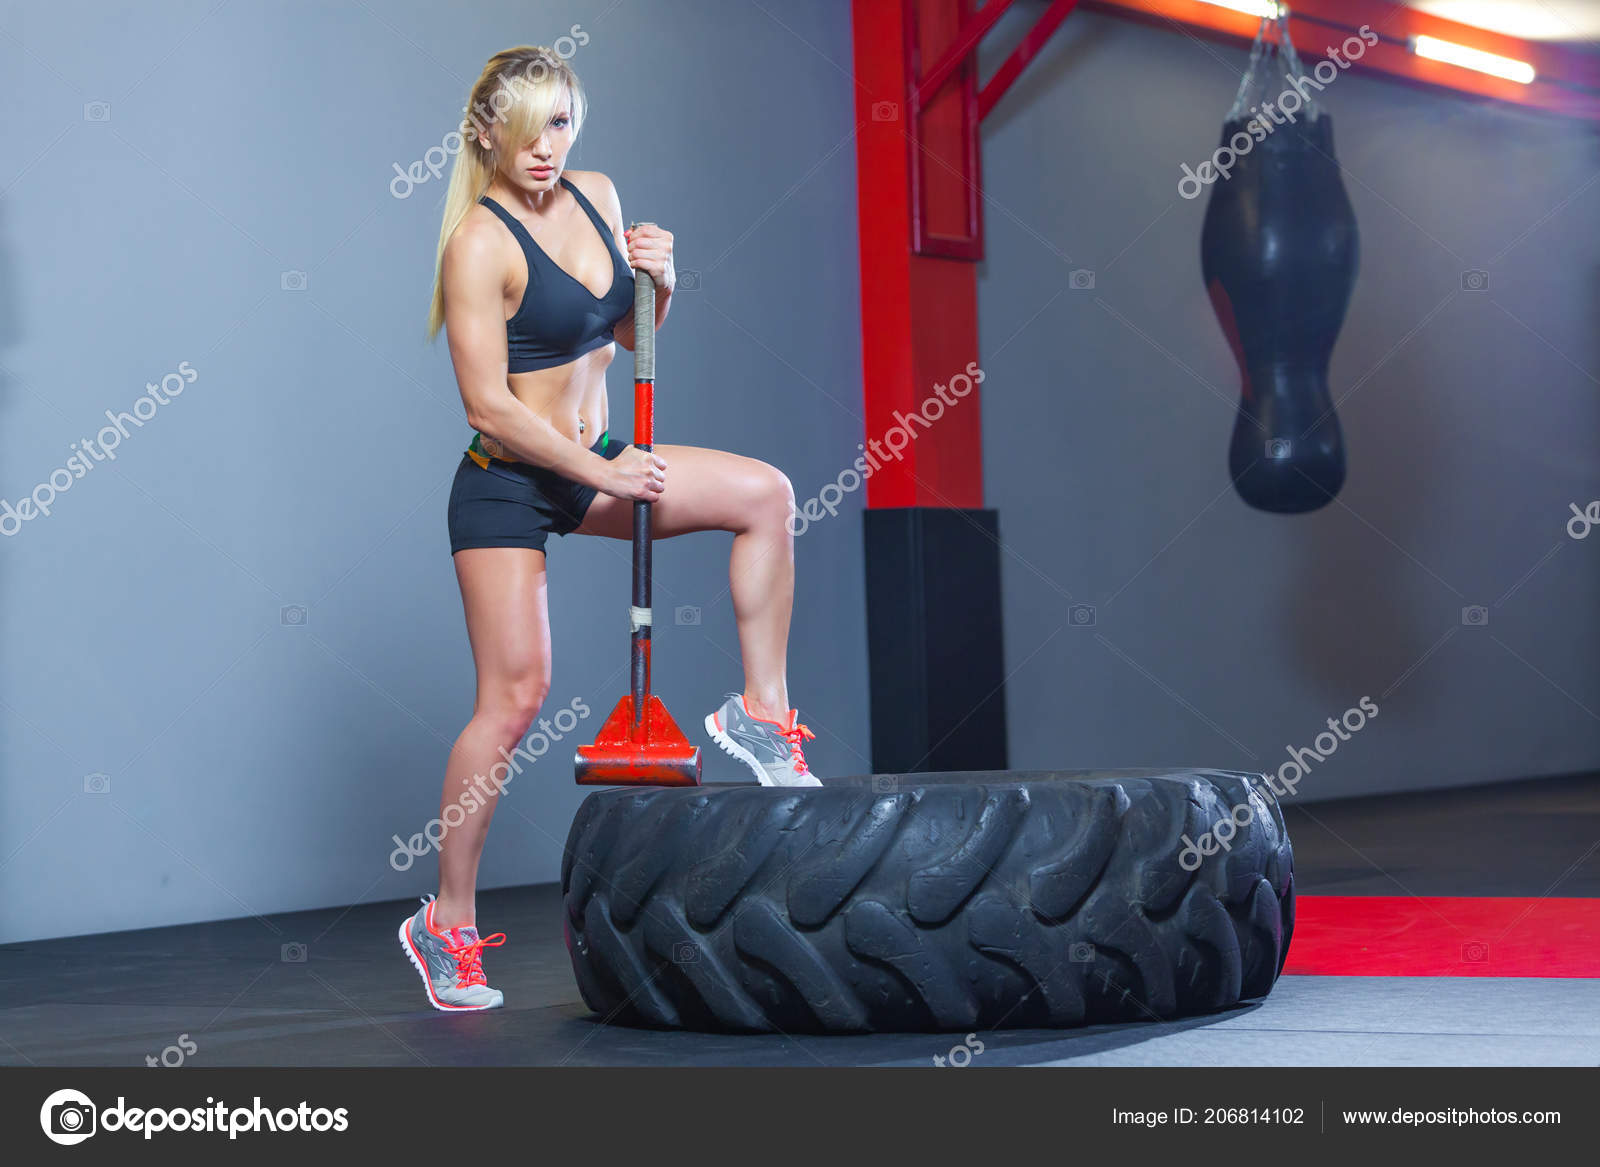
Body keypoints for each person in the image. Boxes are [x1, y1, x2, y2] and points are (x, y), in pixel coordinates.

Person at [398, 45, 820, 1012]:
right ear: (483, 134)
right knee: (513, 699)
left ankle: (759, 715)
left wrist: (663, 280)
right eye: (523, 127)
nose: (545, 146)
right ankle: (447, 922)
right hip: (511, 481)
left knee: (767, 493)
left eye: (559, 122)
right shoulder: (477, 242)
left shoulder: (596, 193)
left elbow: (627, 336)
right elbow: (489, 407)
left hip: (595, 463)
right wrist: (605, 471)